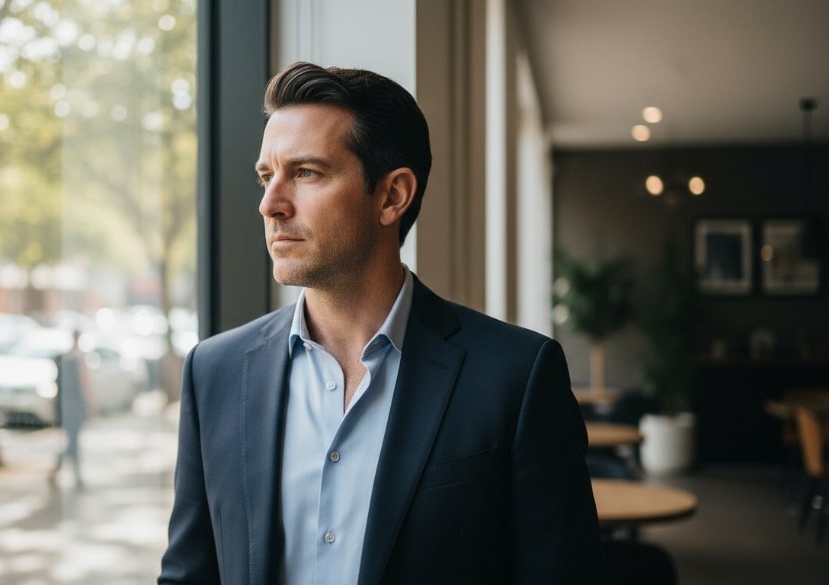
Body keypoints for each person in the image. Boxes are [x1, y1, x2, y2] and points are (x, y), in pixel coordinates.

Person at [159, 62, 602, 584]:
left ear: (392, 196)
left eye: (305, 173)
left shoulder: (516, 376)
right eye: (266, 176)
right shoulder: (214, 371)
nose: (269, 204)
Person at [49, 330, 92, 490]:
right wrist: (91, 406)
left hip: (65, 406)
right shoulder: (78, 360)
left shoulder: (64, 358)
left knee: (72, 440)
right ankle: (71, 473)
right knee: (73, 442)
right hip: (75, 406)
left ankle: (64, 471)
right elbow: (85, 385)